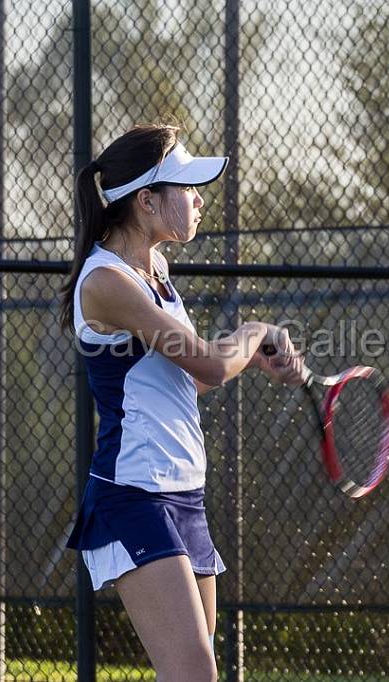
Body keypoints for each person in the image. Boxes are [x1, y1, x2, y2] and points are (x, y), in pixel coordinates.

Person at [60, 123, 303, 682]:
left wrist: (251, 358)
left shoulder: (157, 272)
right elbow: (212, 364)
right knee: (195, 675)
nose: (198, 200)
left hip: (184, 494)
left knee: (194, 673)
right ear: (146, 202)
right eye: (186, 187)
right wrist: (254, 331)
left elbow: (180, 379)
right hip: (133, 496)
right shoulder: (105, 283)